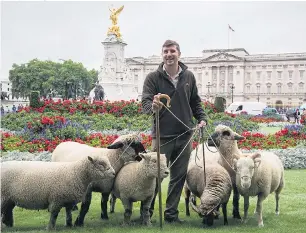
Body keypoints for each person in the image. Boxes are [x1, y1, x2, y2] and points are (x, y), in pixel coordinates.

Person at [141, 39, 207, 223]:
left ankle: (171, 214)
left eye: (172, 51)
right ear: (162, 55)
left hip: (185, 135)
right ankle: (147, 213)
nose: (169, 54)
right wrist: (153, 106)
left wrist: (202, 118)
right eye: (165, 51)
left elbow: (195, 102)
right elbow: (145, 104)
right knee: (154, 178)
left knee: (178, 178)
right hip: (162, 136)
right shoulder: (153, 78)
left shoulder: (189, 76)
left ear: (179, 54)